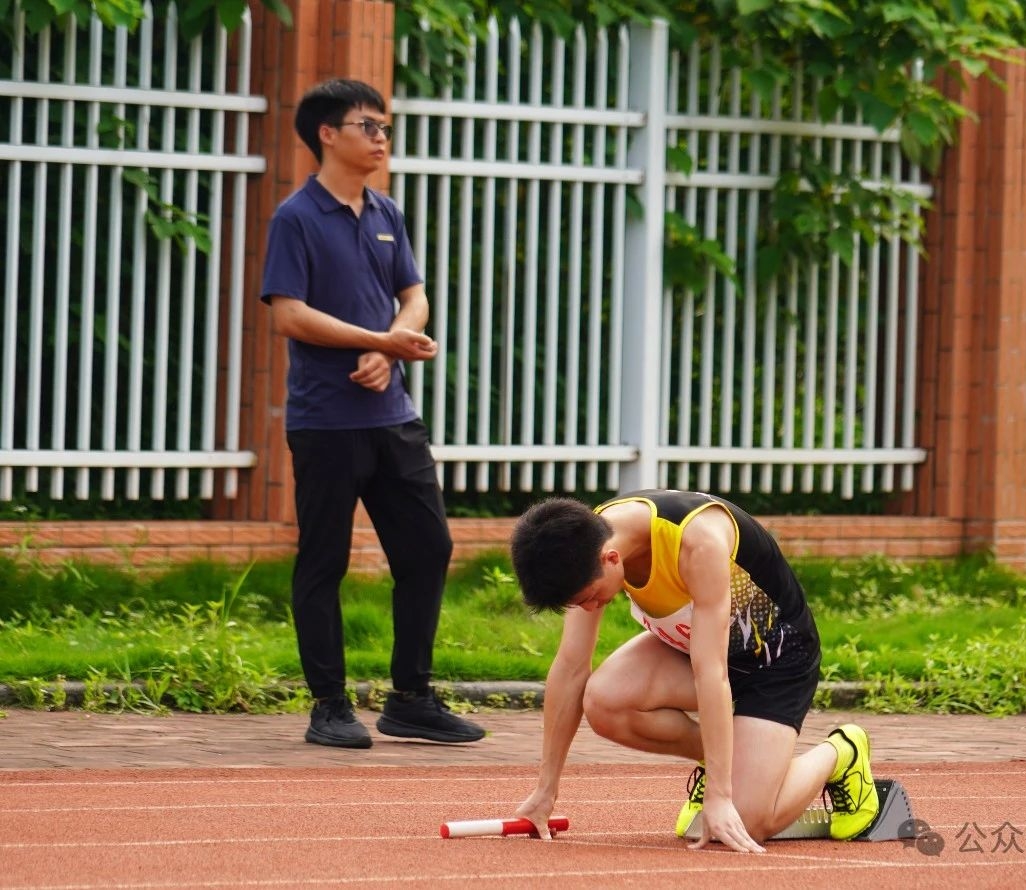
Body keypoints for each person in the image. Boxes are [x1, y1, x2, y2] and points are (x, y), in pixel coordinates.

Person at [260, 78, 483, 749]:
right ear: (328, 134)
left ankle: (410, 699)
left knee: (428, 547)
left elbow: (413, 297)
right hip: (326, 422)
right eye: (369, 126)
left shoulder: (387, 211)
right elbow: (289, 313)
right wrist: (377, 340)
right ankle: (329, 706)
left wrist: (392, 345)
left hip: (392, 415)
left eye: (385, 127)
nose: (382, 138)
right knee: (323, 560)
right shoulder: (295, 218)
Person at [509, 489, 880, 853]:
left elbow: (712, 672)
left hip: (776, 661)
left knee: (747, 821)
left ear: (610, 557)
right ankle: (729, 762)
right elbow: (572, 667)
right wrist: (546, 789)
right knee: (604, 701)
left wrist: (720, 796)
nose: (589, 608)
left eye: (588, 597)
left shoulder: (697, 540)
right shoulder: (583, 540)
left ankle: (841, 752)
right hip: (694, 650)